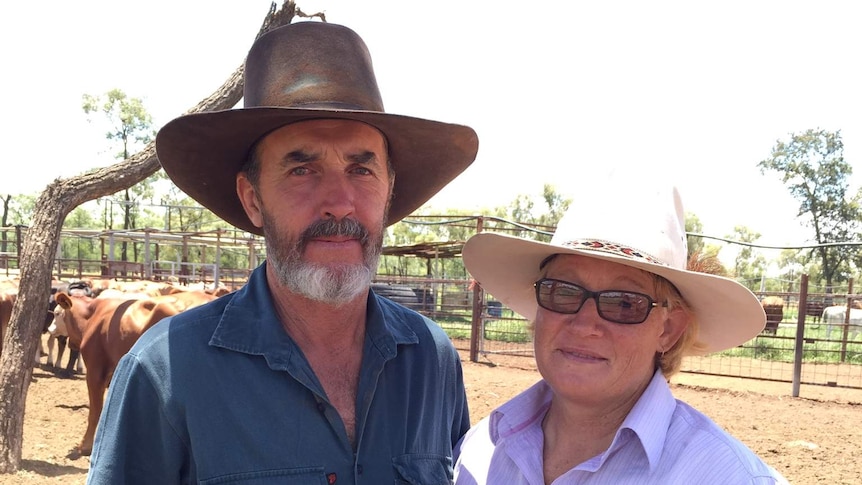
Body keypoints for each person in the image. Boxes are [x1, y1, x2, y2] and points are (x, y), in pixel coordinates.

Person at [87, 21, 477, 484]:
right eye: (302, 169)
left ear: (389, 192)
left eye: (361, 169)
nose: (339, 201)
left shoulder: (431, 360)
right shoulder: (165, 372)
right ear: (253, 199)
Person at [453, 179, 790, 484]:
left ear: (669, 330)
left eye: (625, 304)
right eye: (564, 292)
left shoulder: (731, 478)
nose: (585, 325)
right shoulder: (476, 453)